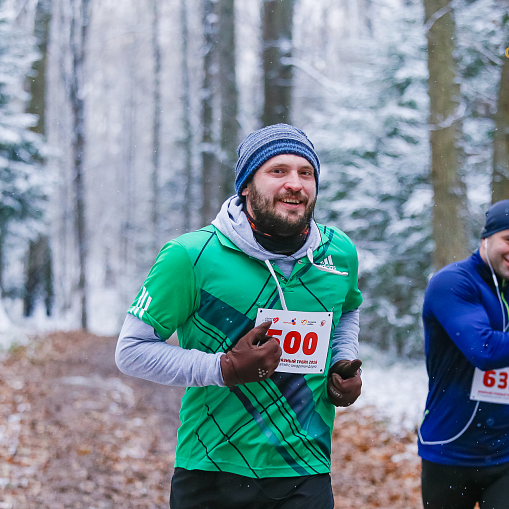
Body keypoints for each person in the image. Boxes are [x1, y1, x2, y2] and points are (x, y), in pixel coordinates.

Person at [115, 123, 363, 509]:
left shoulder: (339, 253)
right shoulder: (192, 255)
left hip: (306, 469)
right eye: (277, 171)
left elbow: (347, 310)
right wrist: (224, 368)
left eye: (306, 172)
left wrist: (341, 361)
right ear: (246, 185)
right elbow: (131, 350)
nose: (295, 183)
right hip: (212, 467)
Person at [418, 199, 509, 509]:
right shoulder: (454, 282)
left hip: (505, 452)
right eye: (508, 239)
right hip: (450, 449)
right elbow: (485, 350)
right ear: (486, 238)